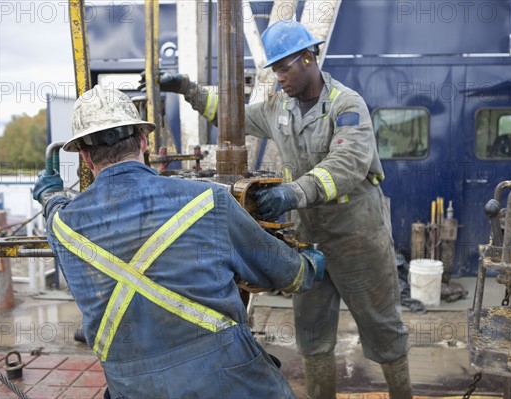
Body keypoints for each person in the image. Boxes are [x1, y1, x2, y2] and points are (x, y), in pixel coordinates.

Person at [145, 19, 412, 398]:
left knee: (384, 329)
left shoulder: (347, 105)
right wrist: (188, 89)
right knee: (312, 336)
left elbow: (348, 163)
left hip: (358, 238)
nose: (279, 77)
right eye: (275, 70)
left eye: (284, 68)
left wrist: (292, 193)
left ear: (308, 59)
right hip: (308, 241)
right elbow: (232, 116)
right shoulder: (278, 107)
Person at [32, 85, 325, 398]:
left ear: (87, 158)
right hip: (228, 382)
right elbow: (290, 275)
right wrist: (311, 264)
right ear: (143, 142)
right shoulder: (209, 201)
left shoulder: (62, 227)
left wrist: (50, 195)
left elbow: (55, 209)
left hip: (134, 389)